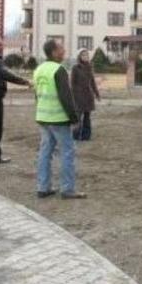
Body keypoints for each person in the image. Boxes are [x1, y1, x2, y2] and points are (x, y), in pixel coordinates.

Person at [33, 39, 85, 199]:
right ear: (54, 52)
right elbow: (66, 97)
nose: (64, 51)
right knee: (67, 153)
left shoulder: (39, 69)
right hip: (58, 118)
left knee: (45, 153)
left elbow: (37, 94)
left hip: (43, 117)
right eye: (61, 48)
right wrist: (74, 118)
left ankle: (43, 187)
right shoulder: (59, 70)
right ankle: (67, 189)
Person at [71, 49, 100, 141]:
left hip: (88, 97)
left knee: (87, 117)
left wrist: (96, 94)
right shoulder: (75, 68)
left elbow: (92, 82)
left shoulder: (90, 67)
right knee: (78, 117)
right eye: (83, 55)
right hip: (78, 97)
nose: (85, 57)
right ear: (79, 56)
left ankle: (86, 136)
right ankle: (76, 135)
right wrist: (73, 96)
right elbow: (72, 83)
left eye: (87, 55)